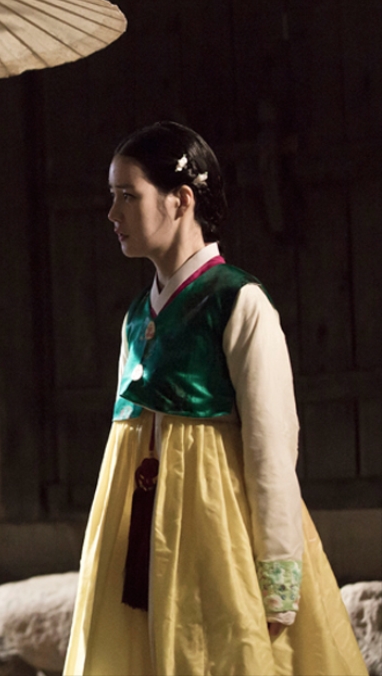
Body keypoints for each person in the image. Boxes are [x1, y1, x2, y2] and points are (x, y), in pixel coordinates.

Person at [64, 122, 367, 675]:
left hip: (215, 537)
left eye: (128, 196)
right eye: (113, 196)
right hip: (136, 543)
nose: (112, 214)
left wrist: (277, 575)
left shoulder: (239, 302)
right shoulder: (136, 318)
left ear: (181, 200)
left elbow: (272, 448)